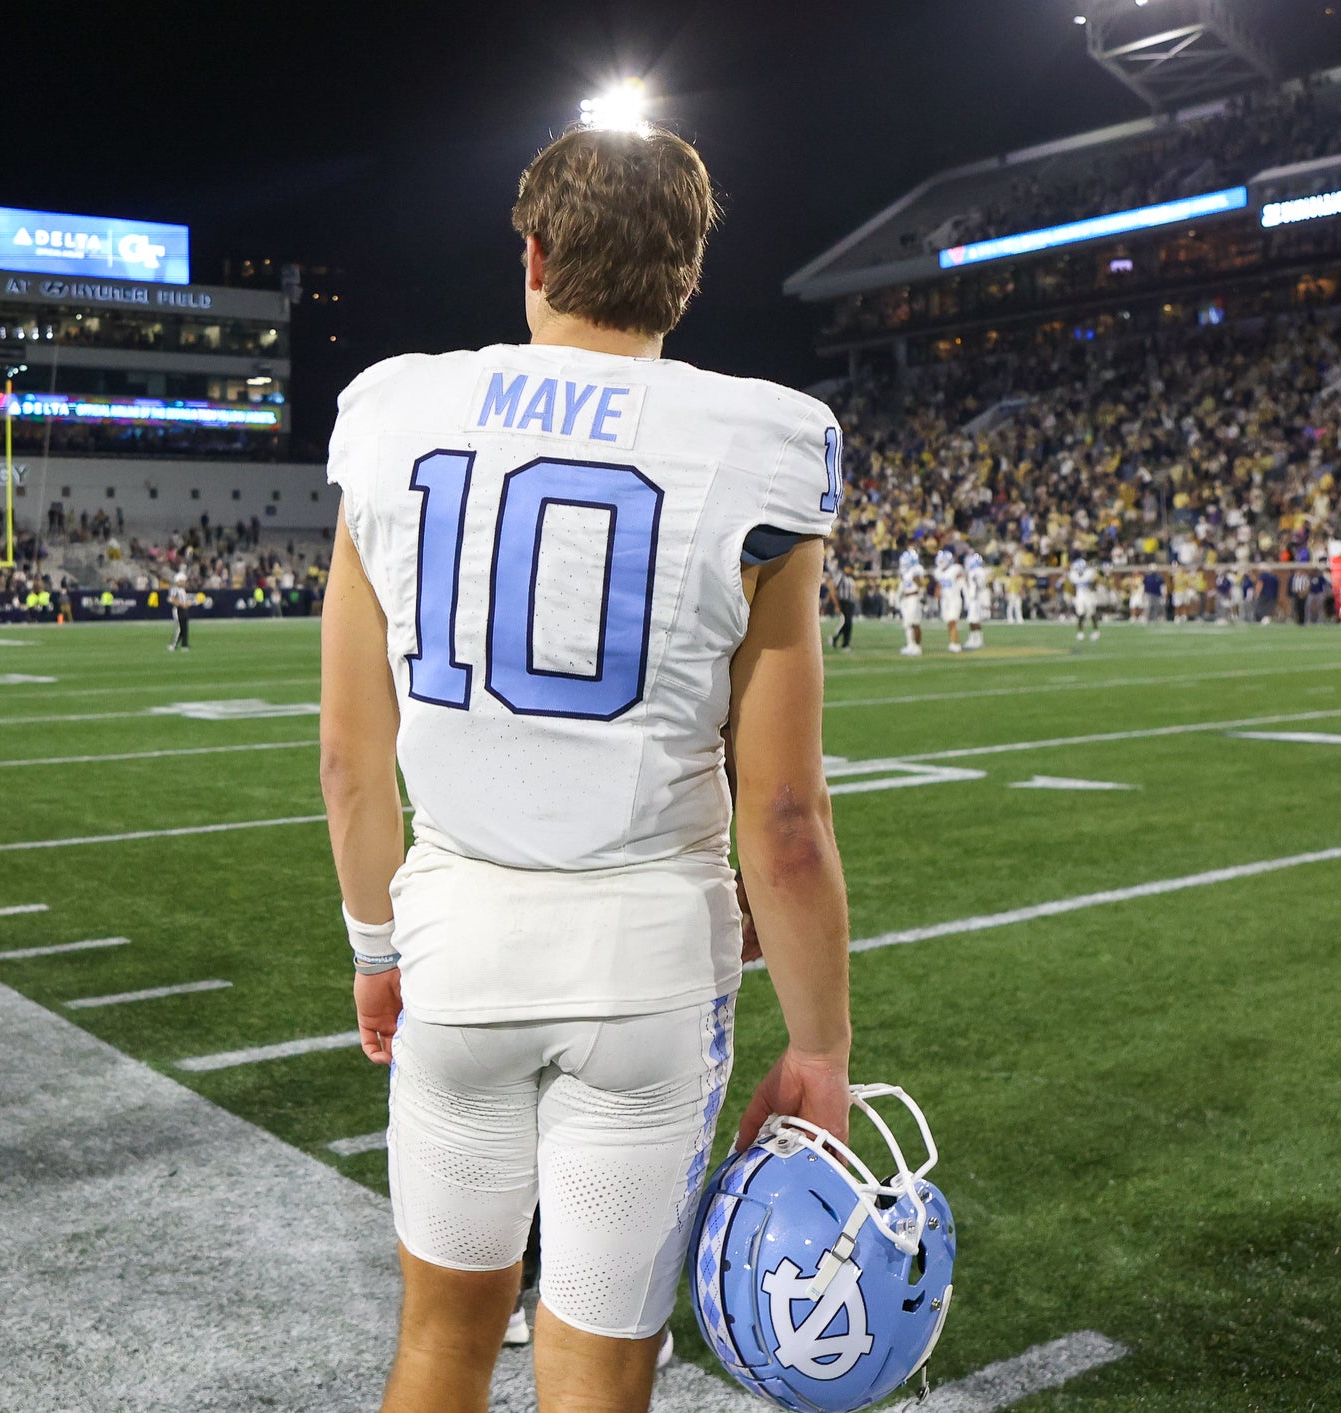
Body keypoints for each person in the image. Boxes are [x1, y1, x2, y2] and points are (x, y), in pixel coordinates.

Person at [319, 122, 852, 1413]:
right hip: (649, 961)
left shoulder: (396, 406)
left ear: (536, 251)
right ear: (688, 269)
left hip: (456, 941)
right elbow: (780, 814)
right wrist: (822, 1043)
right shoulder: (766, 441)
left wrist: (376, 947)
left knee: (442, 1342)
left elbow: (350, 755)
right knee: (600, 1370)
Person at [933, 547, 963, 654]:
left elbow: (962, 579)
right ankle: (953, 642)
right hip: (945, 601)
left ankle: (956, 644)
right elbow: (939, 586)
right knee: (949, 622)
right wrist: (935, 599)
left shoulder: (955, 569)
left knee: (952, 621)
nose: (940, 563)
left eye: (942, 561)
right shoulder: (938, 572)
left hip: (954, 599)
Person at [896, 547, 924, 656]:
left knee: (914, 623)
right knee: (907, 624)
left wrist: (921, 596)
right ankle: (910, 645)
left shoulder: (916, 569)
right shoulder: (906, 572)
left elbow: (919, 584)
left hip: (913, 598)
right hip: (906, 598)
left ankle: (917, 646)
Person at [1069, 553, 1101, 641]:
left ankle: (1095, 630)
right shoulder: (1080, 571)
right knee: (1080, 613)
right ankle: (1080, 632)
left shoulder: (1089, 571)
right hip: (1080, 593)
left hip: (1088, 593)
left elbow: (1092, 583)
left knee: (1091, 612)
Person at [964, 547, 990, 650]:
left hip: (976, 598)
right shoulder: (976, 571)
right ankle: (974, 639)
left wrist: (975, 585)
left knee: (973, 619)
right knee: (972, 620)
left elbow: (980, 585)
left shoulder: (978, 571)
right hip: (973, 598)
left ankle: (977, 640)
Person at [167, 572, 192, 651]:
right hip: (178, 610)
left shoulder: (182, 590)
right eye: (183, 580)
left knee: (185, 628)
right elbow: (171, 599)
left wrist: (187, 604)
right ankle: (173, 644)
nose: (184, 582)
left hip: (183, 610)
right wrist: (182, 605)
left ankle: (184, 644)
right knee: (180, 628)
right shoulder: (175, 589)